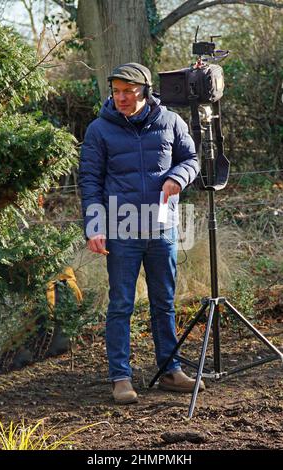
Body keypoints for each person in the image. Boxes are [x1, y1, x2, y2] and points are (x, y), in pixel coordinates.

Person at [79, 62, 205, 405]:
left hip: (162, 228)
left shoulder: (170, 122)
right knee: (121, 305)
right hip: (121, 230)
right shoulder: (99, 130)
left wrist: (178, 177)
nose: (121, 97)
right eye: (116, 91)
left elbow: (192, 158)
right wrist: (94, 226)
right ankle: (121, 377)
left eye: (128, 91)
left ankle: (170, 370)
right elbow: (89, 181)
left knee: (164, 302)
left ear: (145, 90)